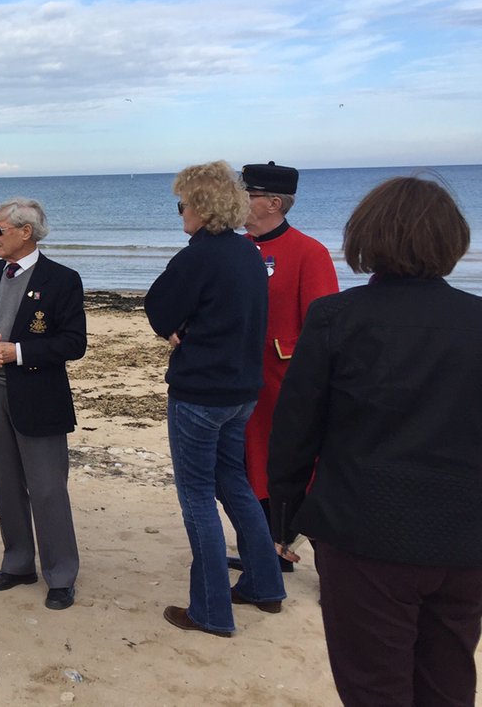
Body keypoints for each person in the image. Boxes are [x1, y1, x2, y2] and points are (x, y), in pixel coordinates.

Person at [268, 176, 482, 706]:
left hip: (365, 534)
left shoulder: (337, 319)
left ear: (367, 237)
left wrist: (286, 519)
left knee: (372, 686)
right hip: (463, 538)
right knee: (448, 677)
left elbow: (296, 431)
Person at [145, 160, 284, 637]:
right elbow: (225, 313)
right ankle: (265, 585)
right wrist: (186, 327)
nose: (179, 211)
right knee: (233, 481)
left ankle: (210, 610)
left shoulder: (198, 256)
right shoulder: (248, 252)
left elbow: (160, 310)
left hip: (202, 393)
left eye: (182, 203)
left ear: (202, 208)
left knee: (198, 496)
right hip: (241, 390)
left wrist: (178, 328)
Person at [0, 197, 87, 611]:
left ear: (25, 232)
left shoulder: (62, 279)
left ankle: (61, 573)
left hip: (39, 397)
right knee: (5, 483)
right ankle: (17, 563)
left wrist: (19, 352)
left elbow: (73, 342)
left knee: (48, 489)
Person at [236, 161, 337, 573]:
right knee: (251, 464)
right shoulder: (237, 247)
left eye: (249, 195)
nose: (240, 202)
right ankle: (266, 552)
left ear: (273, 203)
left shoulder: (309, 251)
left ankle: (328, 560)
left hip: (287, 379)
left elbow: (322, 324)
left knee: (301, 466)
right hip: (242, 378)